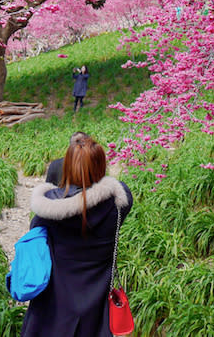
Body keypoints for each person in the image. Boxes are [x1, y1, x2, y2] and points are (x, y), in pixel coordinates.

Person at [21, 135, 133, 337]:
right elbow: (120, 187)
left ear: (66, 166)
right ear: (101, 167)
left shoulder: (47, 211)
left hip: (52, 314)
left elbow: (34, 234)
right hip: (95, 316)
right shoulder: (117, 206)